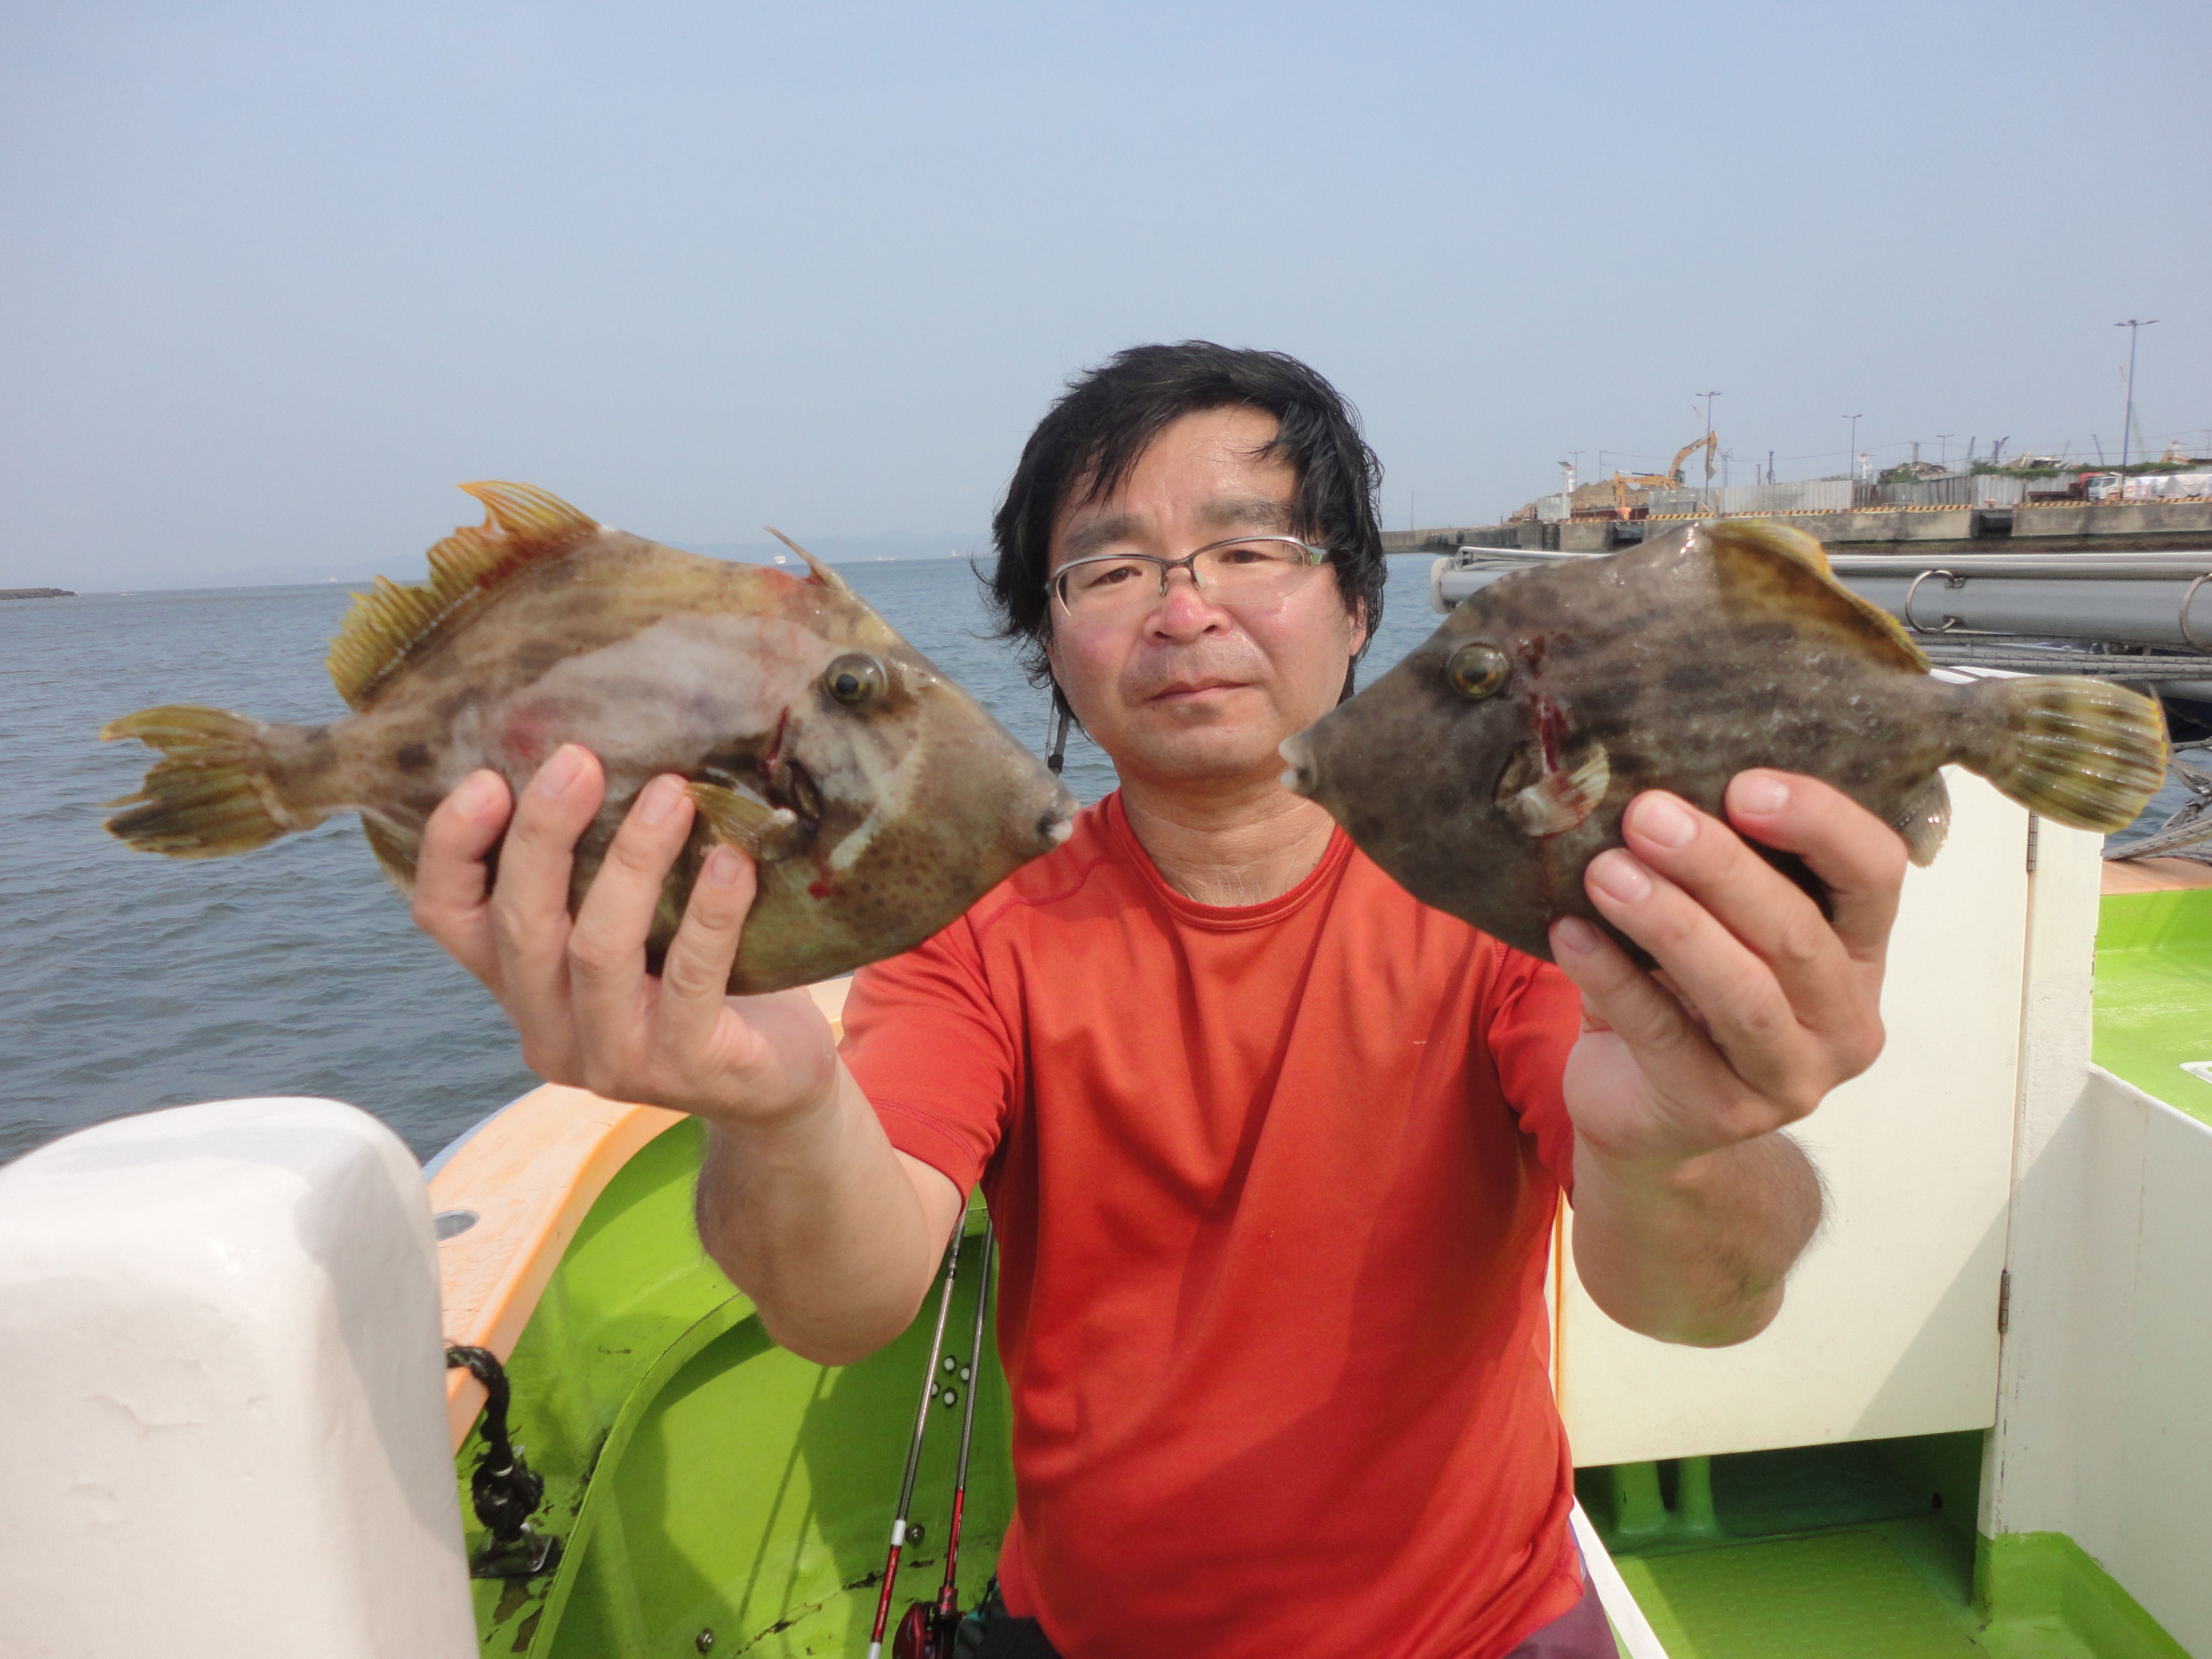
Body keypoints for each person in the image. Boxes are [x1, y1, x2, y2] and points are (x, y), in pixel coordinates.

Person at [411, 343, 1904, 1659]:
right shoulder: (981, 921)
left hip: (1478, 1632)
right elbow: (842, 1303)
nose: (1185, 611)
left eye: (1250, 550)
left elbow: (1703, 1304)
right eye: (1111, 571)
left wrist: (1680, 1140)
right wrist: (781, 1106)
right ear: (1052, 646)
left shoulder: (1508, 898)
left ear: (1358, 608)